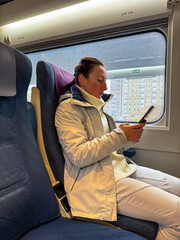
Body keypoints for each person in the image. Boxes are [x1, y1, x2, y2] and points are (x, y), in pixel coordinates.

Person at [55, 57, 180, 240]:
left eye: (105, 80)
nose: (105, 87)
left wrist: (128, 137)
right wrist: (120, 135)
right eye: (100, 80)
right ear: (82, 80)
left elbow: (111, 148)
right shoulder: (68, 110)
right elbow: (79, 155)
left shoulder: (98, 108)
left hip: (121, 169)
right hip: (96, 179)